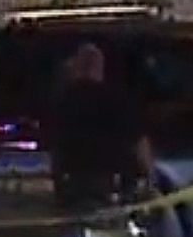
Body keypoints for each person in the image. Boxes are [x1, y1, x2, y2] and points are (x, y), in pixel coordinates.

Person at [44, 41, 154, 221]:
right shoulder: (117, 100)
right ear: (99, 68)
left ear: (76, 68)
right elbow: (139, 141)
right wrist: (150, 179)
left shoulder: (61, 102)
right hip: (111, 182)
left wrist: (56, 179)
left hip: (73, 182)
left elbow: (53, 146)